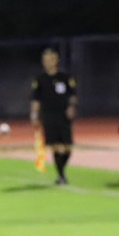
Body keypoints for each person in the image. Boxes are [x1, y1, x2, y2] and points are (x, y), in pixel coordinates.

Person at [29, 48, 77, 185]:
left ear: (56, 61)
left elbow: (73, 95)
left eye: (50, 59)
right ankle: (61, 175)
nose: (47, 63)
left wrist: (71, 107)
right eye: (45, 60)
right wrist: (34, 115)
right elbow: (35, 99)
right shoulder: (40, 80)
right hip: (49, 116)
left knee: (68, 147)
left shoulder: (66, 77)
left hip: (63, 115)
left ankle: (61, 171)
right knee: (55, 146)